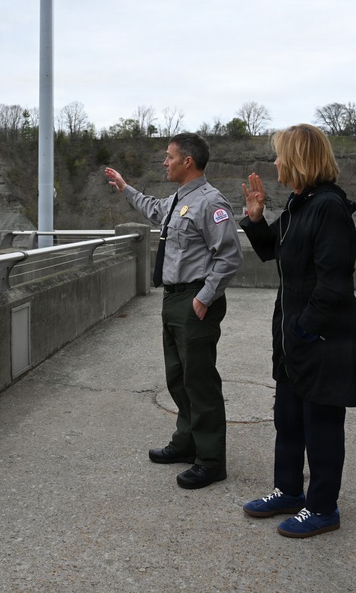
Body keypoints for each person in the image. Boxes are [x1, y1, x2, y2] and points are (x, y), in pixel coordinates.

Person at [239, 123, 356, 537]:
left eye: (281, 155)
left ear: (299, 159)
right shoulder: (300, 203)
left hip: (322, 340)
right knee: (289, 419)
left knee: (322, 426)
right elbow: (274, 251)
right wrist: (256, 219)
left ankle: (322, 508)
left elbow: (334, 284)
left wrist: (303, 331)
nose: (276, 162)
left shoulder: (328, 207)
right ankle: (288, 491)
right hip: (295, 340)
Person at [105, 132, 243, 489]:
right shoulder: (179, 201)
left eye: (169, 157)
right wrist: (125, 187)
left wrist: (203, 298)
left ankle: (211, 461)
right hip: (174, 299)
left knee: (200, 382)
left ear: (188, 162)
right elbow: (153, 208)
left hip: (196, 299)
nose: (164, 162)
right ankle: (187, 442)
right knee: (178, 377)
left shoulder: (211, 203)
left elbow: (228, 256)